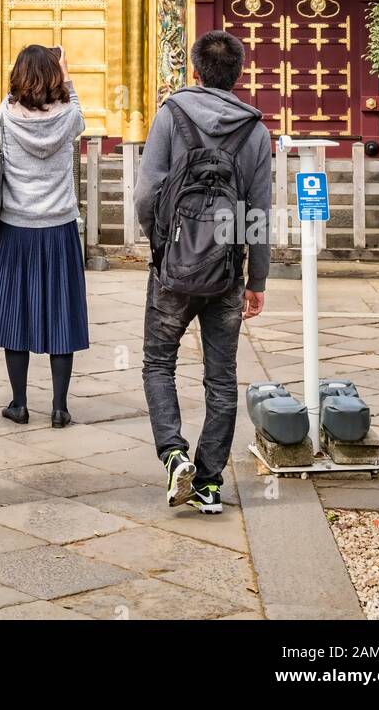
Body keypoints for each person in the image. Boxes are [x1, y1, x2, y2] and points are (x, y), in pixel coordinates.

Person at [136, 30, 271, 516]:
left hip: (173, 267)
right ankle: (210, 481)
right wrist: (256, 279)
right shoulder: (254, 130)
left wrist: (162, 244)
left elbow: (145, 196)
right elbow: (258, 211)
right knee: (222, 377)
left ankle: (173, 454)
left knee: (158, 363)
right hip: (227, 271)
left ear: (194, 71)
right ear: (237, 76)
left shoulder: (171, 116)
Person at [0, 44, 88, 428]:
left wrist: (18, 88)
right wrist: (66, 76)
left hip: (15, 227)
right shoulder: (69, 117)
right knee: (61, 313)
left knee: (17, 313)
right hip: (59, 228)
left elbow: (4, 106)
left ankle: (19, 402)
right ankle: (60, 406)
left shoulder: (6, 115)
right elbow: (76, 107)